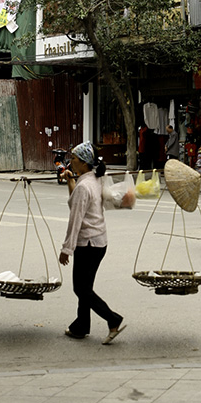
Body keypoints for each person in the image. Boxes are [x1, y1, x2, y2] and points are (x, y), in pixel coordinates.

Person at [59, 141, 126, 345]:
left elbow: (75, 219)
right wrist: (71, 179)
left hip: (87, 244)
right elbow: (77, 201)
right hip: (99, 242)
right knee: (85, 286)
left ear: (84, 163)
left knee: (81, 289)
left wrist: (66, 249)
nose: (71, 162)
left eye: (74, 159)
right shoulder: (95, 180)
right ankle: (81, 326)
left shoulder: (86, 185)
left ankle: (113, 319)